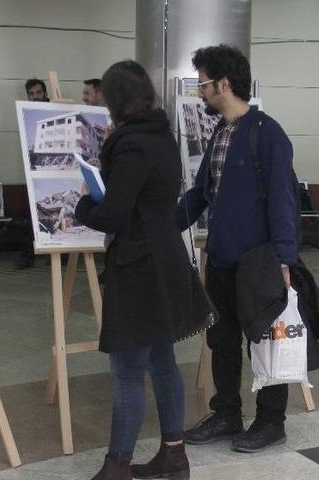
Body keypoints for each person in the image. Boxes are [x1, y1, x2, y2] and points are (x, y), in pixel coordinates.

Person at [74, 60, 211, 480]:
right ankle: (174, 455)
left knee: (128, 370)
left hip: (139, 267)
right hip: (163, 259)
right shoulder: (161, 137)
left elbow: (115, 213)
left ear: (115, 100)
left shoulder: (131, 145)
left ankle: (117, 466)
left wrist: (83, 205)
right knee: (163, 362)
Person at [177, 44, 298, 453]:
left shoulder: (268, 133)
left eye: (203, 84)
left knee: (266, 342)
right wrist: (163, 226)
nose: (200, 92)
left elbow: (284, 199)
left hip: (259, 262)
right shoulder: (221, 133)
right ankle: (227, 413)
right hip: (223, 260)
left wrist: (285, 259)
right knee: (222, 342)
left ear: (223, 84)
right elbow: (200, 195)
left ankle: (270, 421)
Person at [16, 79, 50, 269]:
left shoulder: (52, 112)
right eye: (31, 93)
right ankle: (28, 255)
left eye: (38, 93)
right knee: (30, 214)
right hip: (34, 171)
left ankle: (58, 253)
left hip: (51, 170)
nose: (35, 97)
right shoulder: (26, 112)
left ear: (45, 93)